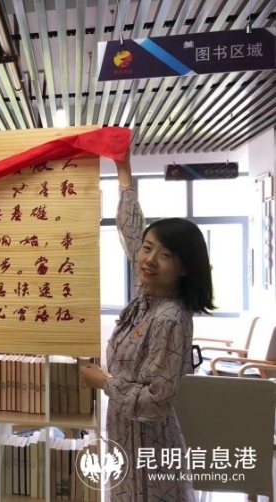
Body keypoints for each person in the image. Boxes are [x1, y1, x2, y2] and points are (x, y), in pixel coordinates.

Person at [80, 153, 215, 501]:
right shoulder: (148, 296)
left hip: (148, 441)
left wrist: (105, 382)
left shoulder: (169, 318)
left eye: (165, 255)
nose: (149, 259)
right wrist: (123, 171)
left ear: (184, 268)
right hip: (124, 431)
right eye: (148, 249)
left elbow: (156, 401)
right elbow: (131, 234)